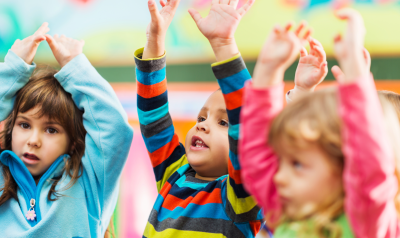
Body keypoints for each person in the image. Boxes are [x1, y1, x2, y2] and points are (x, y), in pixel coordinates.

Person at [239, 8, 400, 238]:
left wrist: (355, 70)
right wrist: (268, 71)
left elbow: (369, 164)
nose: (278, 175)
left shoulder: (364, 222)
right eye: (282, 162)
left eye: (297, 164)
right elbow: (258, 156)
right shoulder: (288, 210)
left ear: (343, 167)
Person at [136, 0, 263, 237]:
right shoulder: (174, 174)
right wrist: (154, 41)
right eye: (201, 118)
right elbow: (153, 117)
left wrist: (223, 44)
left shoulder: (238, 199)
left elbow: (248, 127)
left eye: (223, 122)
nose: (202, 125)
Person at [0, 23, 133, 237]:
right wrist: (13, 68)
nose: (33, 140)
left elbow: (114, 126)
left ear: (73, 140)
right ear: (10, 129)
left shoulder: (88, 182)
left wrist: (74, 65)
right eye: (24, 125)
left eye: (51, 130)